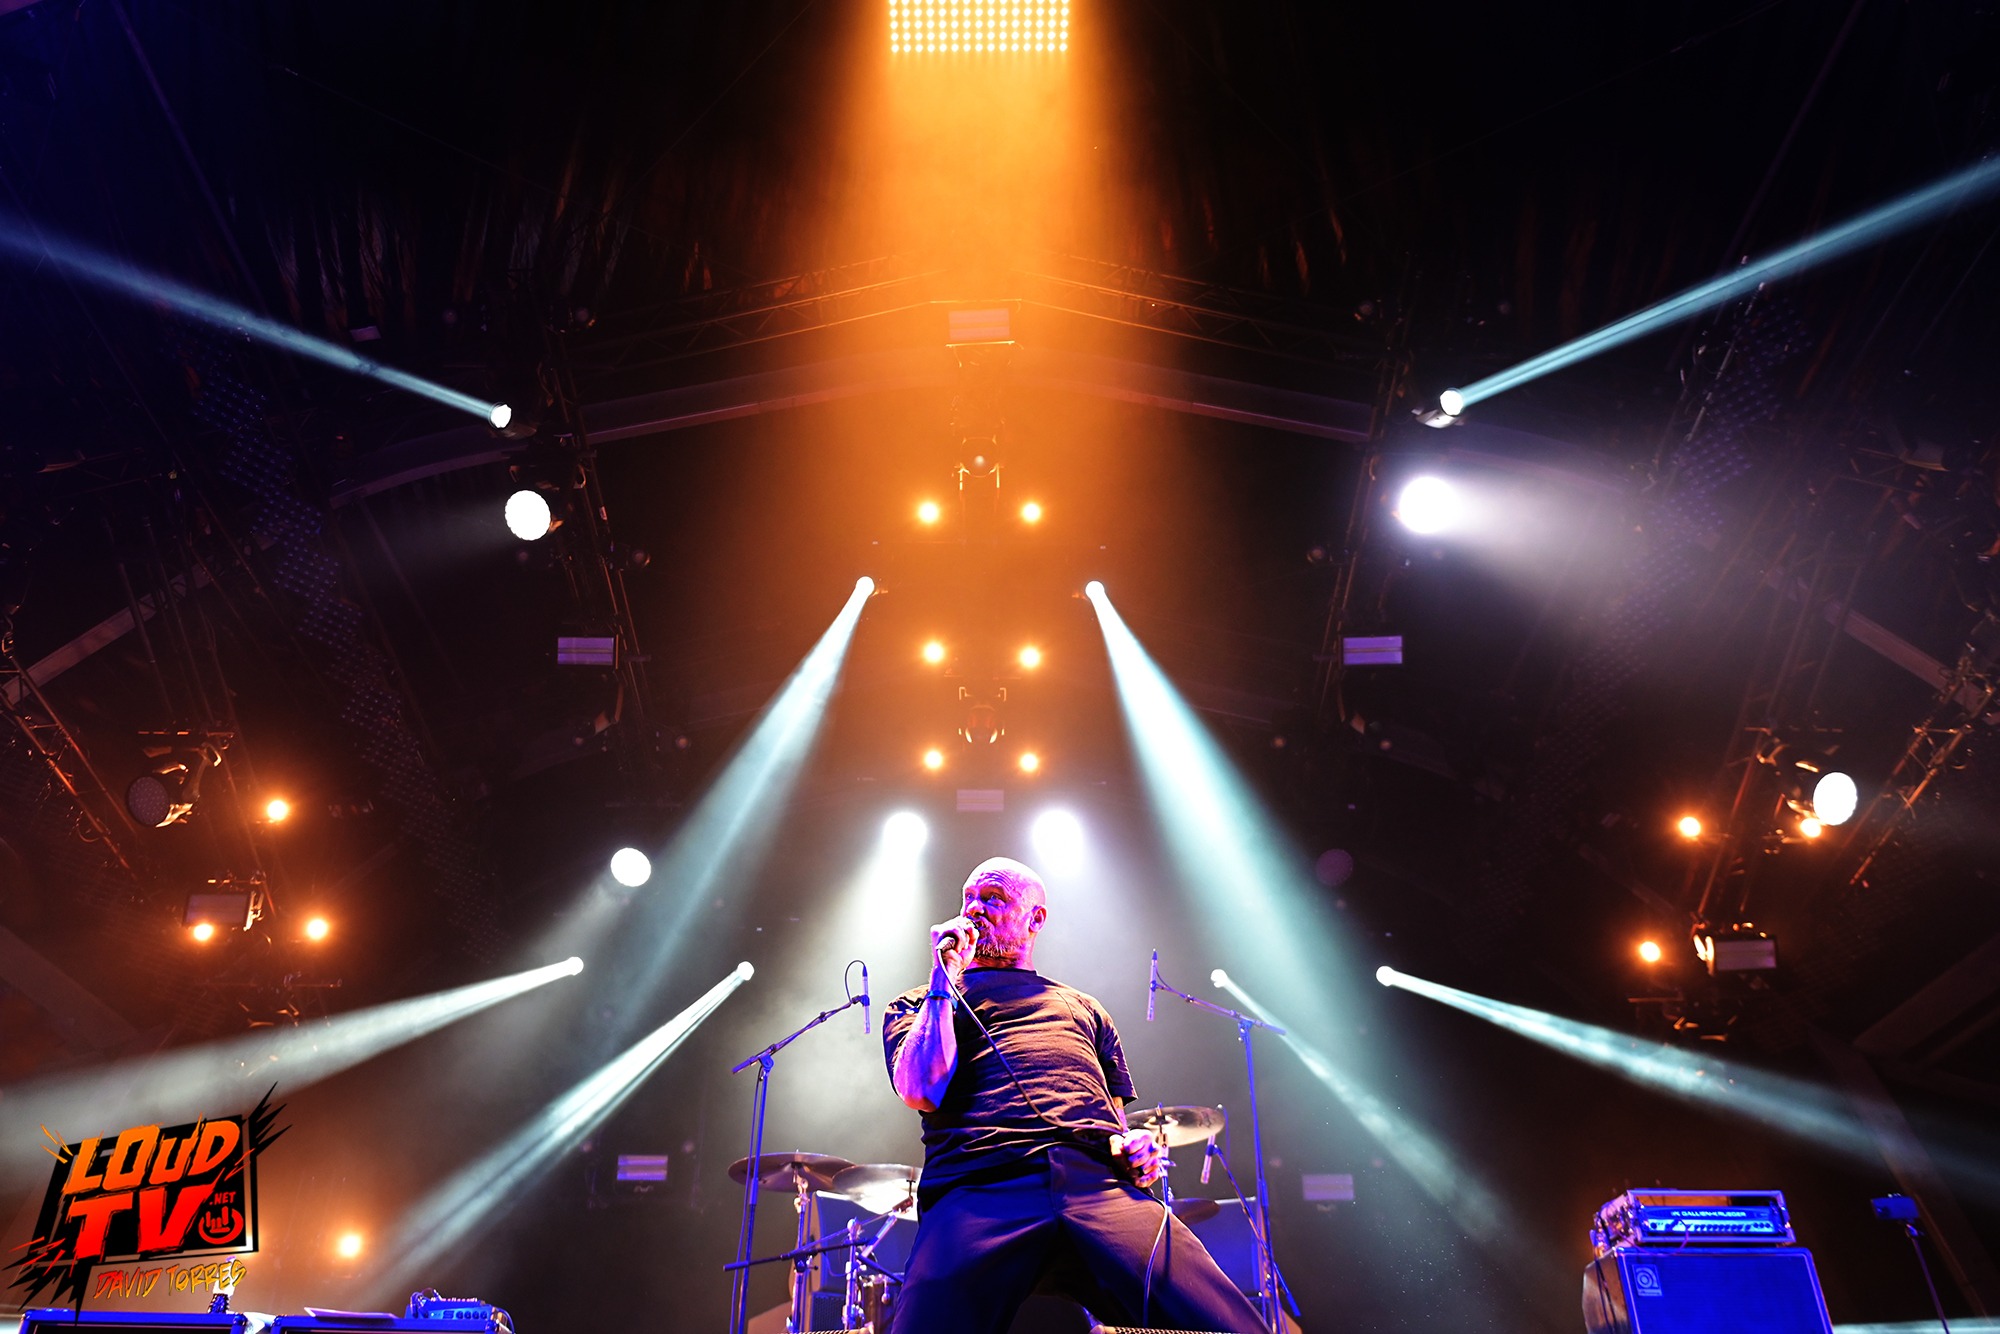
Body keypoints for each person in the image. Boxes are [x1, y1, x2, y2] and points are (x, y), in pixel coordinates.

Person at [881, 856, 1269, 1334]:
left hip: (1098, 1187)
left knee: (1230, 1323)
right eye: (969, 898)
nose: (975, 909)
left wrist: (1135, 1149)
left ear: (1035, 918)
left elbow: (1117, 1125)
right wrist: (944, 975)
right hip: (978, 1186)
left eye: (994, 898)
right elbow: (920, 1089)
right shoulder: (920, 1002)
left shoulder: (1084, 1007)